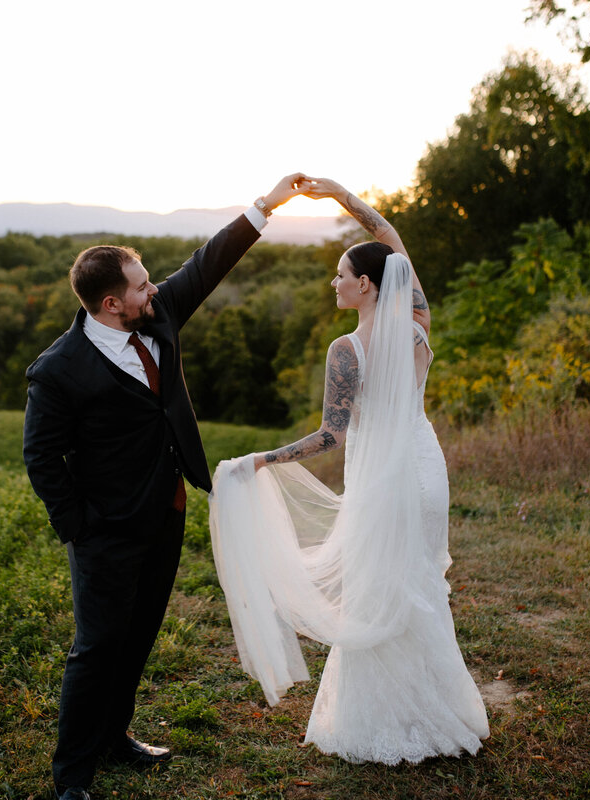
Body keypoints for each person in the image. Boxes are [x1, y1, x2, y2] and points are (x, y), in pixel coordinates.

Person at [22, 174, 309, 800]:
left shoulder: (159, 312)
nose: (154, 287)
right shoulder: (58, 371)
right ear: (109, 306)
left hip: (166, 514)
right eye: (141, 283)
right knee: (96, 648)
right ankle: (72, 777)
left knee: (140, 634)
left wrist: (265, 207)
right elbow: (40, 457)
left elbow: (206, 263)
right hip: (104, 532)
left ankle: (114, 736)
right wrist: (79, 527)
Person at [209, 177, 489, 764]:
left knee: (375, 591)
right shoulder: (417, 326)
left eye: (341, 274)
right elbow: (390, 240)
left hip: (383, 481)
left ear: (365, 287)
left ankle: (384, 719)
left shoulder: (348, 350)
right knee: (417, 586)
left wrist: (260, 461)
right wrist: (339, 194)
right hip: (424, 469)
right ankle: (435, 706)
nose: (332, 281)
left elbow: (330, 436)